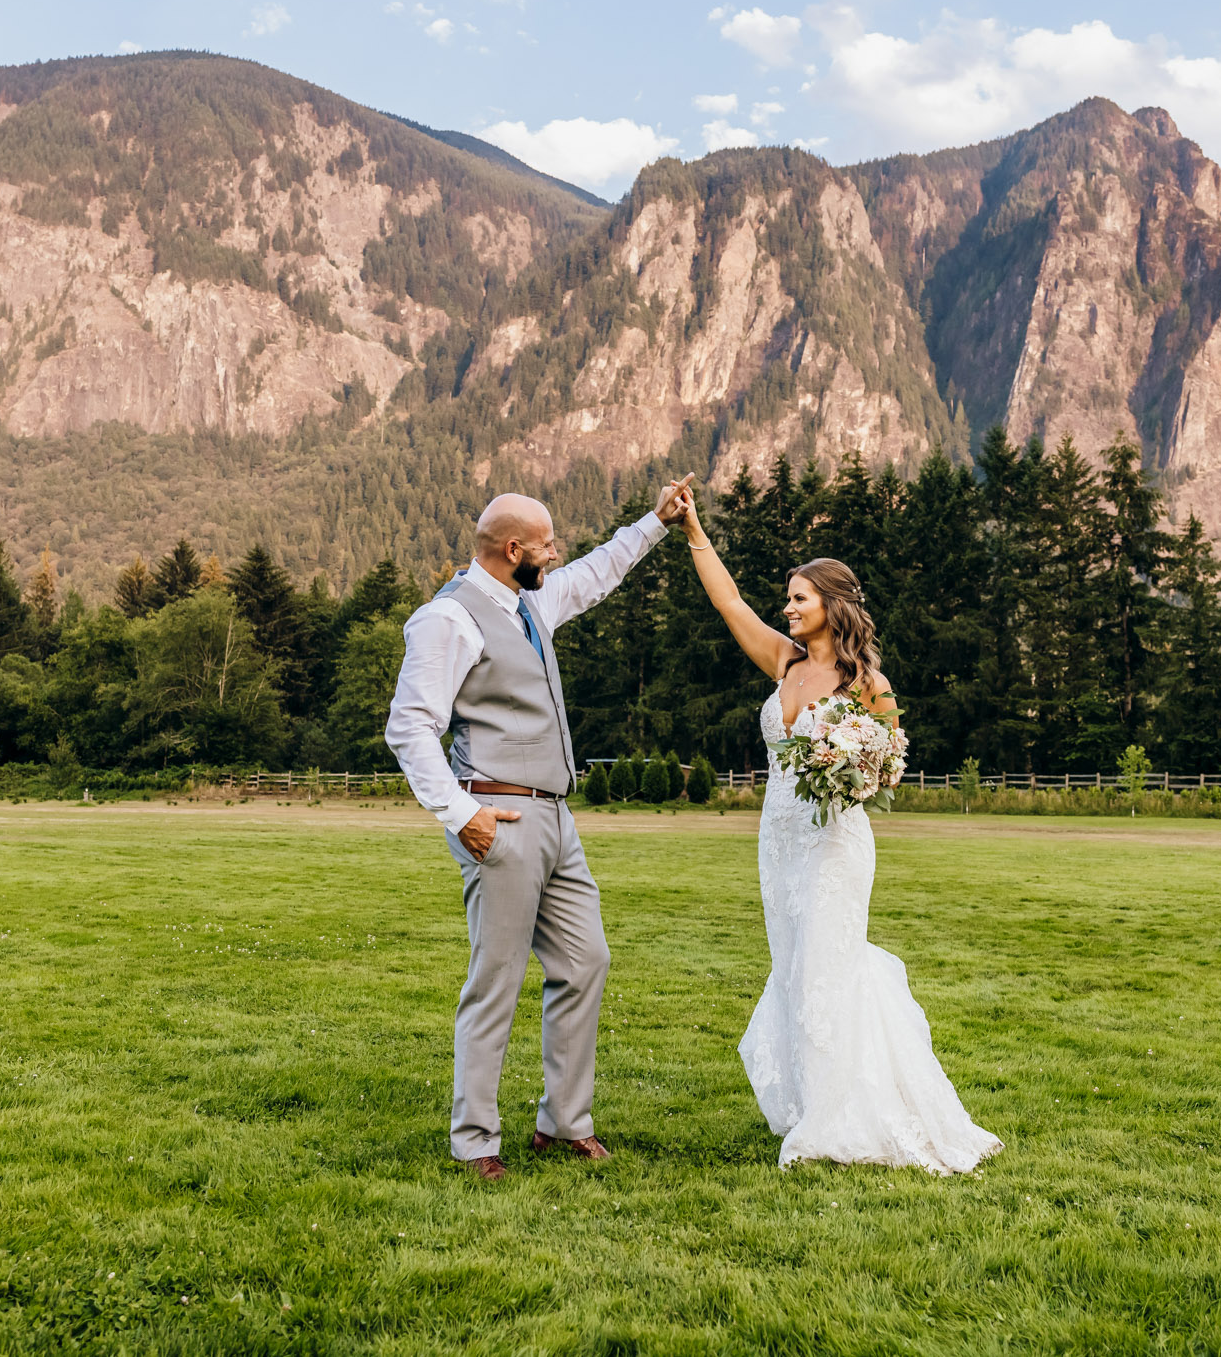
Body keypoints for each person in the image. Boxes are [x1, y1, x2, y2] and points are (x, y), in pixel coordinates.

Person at [670, 489, 1002, 1175]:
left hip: (835, 842)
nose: (787, 608)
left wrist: (850, 767)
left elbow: (888, 772)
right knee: (795, 966)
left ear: (833, 605)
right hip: (780, 838)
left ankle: (833, 1119)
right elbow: (729, 603)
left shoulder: (867, 683)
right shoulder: (786, 663)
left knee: (828, 963)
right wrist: (695, 530)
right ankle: (810, 1101)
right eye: (787, 599)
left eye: (798, 598)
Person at [385, 478, 694, 1182]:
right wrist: (463, 816)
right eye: (547, 544)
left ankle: (562, 1123)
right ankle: (474, 1140)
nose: (557, 554)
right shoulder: (449, 620)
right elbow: (409, 725)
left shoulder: (530, 602)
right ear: (513, 548)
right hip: (500, 817)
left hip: (558, 815)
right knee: (497, 979)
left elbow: (595, 575)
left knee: (587, 960)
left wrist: (654, 521)